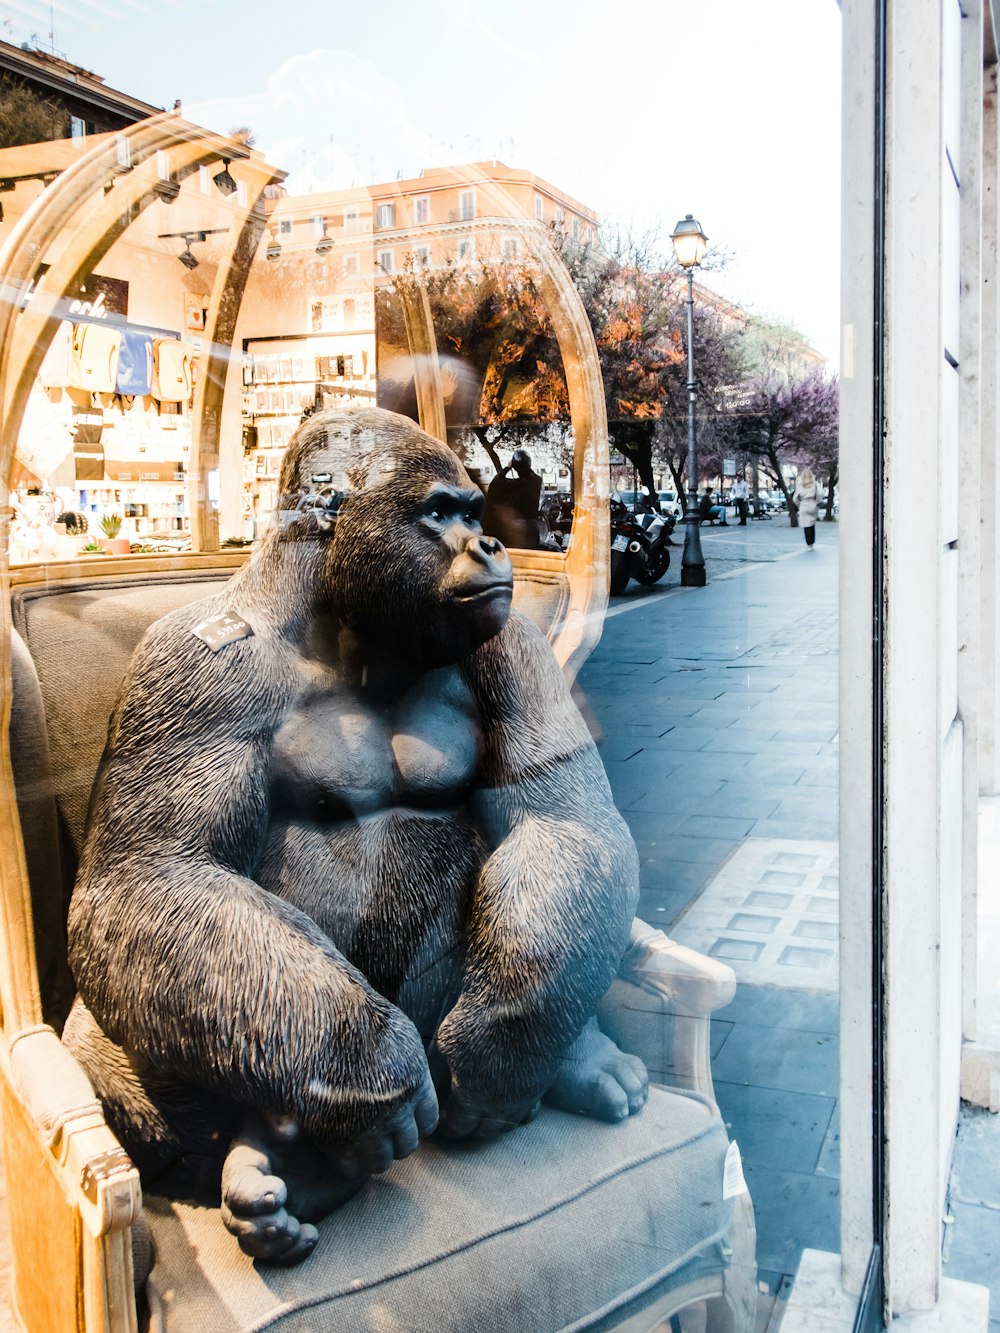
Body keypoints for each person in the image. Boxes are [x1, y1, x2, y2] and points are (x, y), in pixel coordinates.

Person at [482, 448, 543, 549]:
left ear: (515, 466)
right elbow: (532, 475)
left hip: (516, 528)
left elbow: (495, 483)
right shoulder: (536, 481)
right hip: (532, 526)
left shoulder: (512, 484)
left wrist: (508, 467)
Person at [793, 468, 821, 547]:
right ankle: (812, 541)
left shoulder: (799, 486)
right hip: (812, 505)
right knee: (812, 524)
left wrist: (799, 504)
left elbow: (795, 498)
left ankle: (808, 543)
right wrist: (817, 502)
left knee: (806, 525)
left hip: (803, 505)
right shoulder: (815, 484)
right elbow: (820, 494)